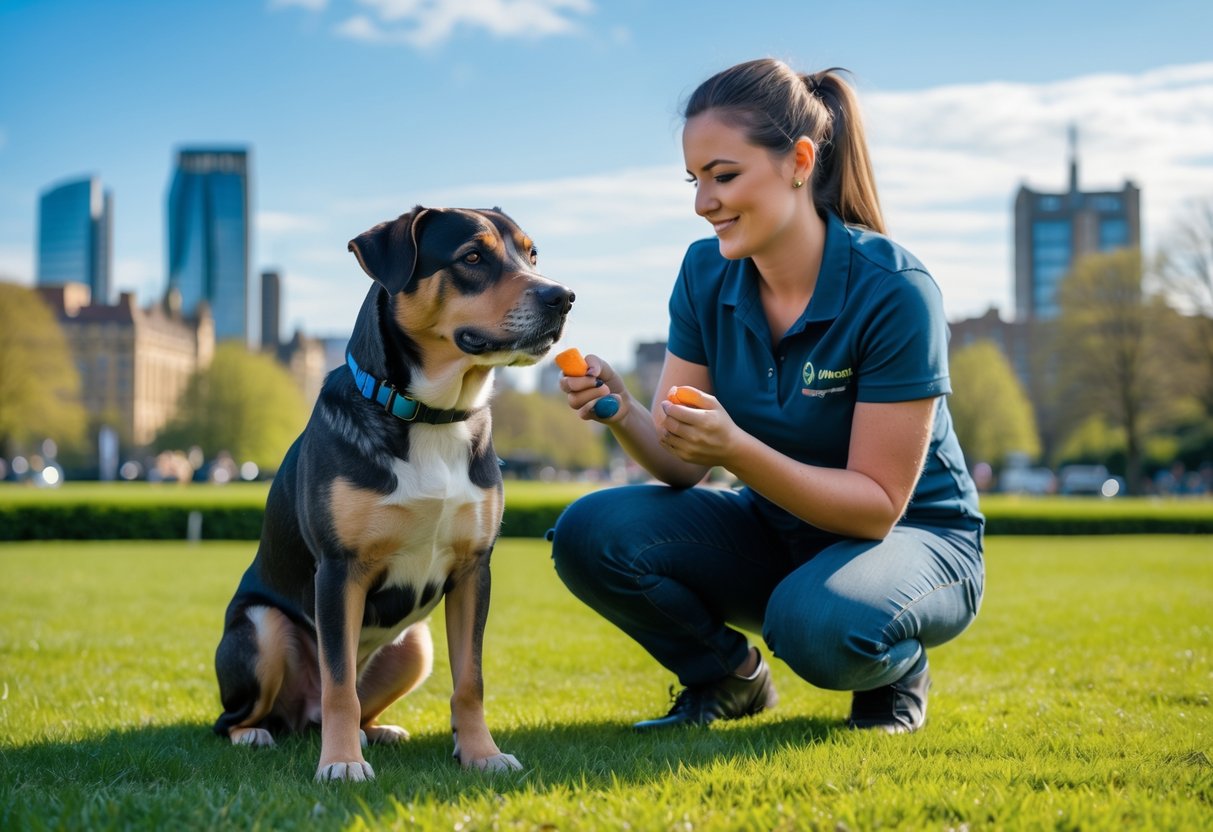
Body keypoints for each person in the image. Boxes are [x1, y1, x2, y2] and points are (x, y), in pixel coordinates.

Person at [551, 58, 985, 734]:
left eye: (723, 176)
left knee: (815, 626)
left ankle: (897, 670)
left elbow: (874, 510)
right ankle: (725, 677)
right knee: (589, 532)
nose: (703, 203)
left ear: (798, 161)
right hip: (776, 529)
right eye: (694, 181)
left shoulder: (895, 291)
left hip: (913, 539)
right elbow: (682, 465)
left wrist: (737, 449)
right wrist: (622, 411)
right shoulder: (703, 274)